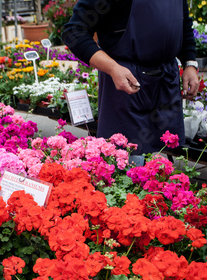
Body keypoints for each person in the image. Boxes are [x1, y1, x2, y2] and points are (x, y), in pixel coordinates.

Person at [62, 0, 199, 166]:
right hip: (126, 83)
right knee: (127, 160)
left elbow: (183, 23)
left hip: (165, 81)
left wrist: (190, 63)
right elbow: (74, 32)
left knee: (160, 156)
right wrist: (112, 68)